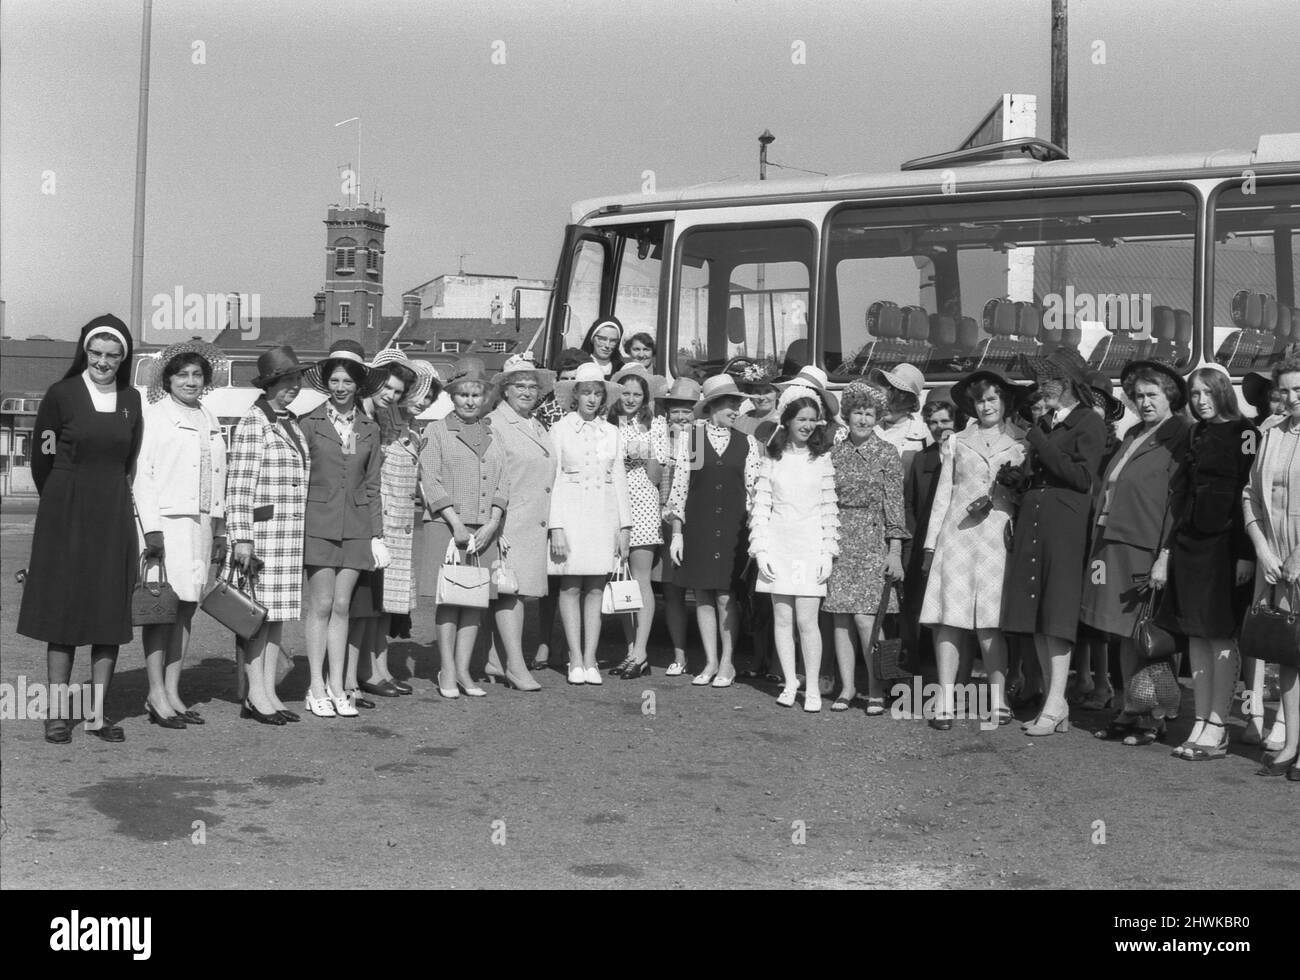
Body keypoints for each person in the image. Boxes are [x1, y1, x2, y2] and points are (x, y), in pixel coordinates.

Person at [19, 315, 143, 744]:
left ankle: (97, 713)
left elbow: (131, 458)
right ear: (84, 353)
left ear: (122, 359)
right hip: (66, 509)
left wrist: (109, 494)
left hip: (112, 511)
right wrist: (60, 499)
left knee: (108, 608)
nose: (103, 362)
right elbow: (42, 456)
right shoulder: (62, 395)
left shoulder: (131, 400)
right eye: (96, 353)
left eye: (112, 355)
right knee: (64, 609)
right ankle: (56, 713)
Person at [1083, 360, 1192, 746]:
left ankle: (1155, 716)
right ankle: (1132, 705)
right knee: (1125, 633)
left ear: (1170, 397)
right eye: (1139, 396)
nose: (1144, 402)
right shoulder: (1133, 433)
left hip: (1147, 543)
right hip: (1115, 539)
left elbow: (1178, 502)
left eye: (1153, 395)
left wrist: (1165, 554)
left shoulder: (1181, 434)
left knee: (1152, 635)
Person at [1002, 350, 1106, 737]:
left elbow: (1081, 477)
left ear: (1067, 385)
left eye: (1049, 382)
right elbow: (1043, 468)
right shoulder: (1048, 422)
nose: (1042, 390)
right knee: (1038, 610)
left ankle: (1057, 699)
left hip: (1064, 519)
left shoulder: (1088, 422)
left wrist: (1040, 441)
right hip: (1037, 515)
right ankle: (1053, 699)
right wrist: (1018, 479)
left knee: (1057, 610)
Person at [1156, 366, 1258, 760]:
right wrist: (1170, 548)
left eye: (1207, 393)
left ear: (1222, 393)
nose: (1200, 401)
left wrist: (1246, 553)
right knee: (1195, 635)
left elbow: (1249, 493)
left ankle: (1218, 724)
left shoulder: (1246, 432)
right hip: (1190, 543)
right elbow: (1182, 494)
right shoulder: (1196, 432)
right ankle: (1200, 719)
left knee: (1220, 636)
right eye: (1194, 394)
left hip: (1227, 547)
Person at [920, 371, 1027, 729]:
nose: (987, 406)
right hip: (958, 534)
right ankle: (946, 700)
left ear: (1004, 402)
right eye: (981, 400)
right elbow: (942, 496)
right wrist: (931, 544)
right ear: (972, 405)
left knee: (990, 624)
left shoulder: (1020, 444)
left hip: (998, 537)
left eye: (993, 398)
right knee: (949, 620)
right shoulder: (956, 442)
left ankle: (998, 700)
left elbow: (1023, 498)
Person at [132, 340, 229, 729]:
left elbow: (218, 475)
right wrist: (152, 530)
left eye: (197, 375)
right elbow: (143, 475)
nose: (190, 381)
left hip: (202, 524)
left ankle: (174, 690)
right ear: (168, 379)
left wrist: (220, 526)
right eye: (182, 374)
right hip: (167, 525)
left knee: (187, 608)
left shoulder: (208, 416)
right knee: (162, 608)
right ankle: (155, 693)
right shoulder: (155, 416)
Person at [298, 340, 390, 718]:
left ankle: (338, 684)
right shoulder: (309, 423)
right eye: (334, 380)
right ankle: (315, 685)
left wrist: (377, 534)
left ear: (358, 386)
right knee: (320, 604)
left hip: (356, 526)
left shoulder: (370, 427)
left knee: (342, 605)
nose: (340, 388)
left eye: (347, 382)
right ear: (326, 383)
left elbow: (372, 484)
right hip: (317, 524)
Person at [222, 346, 313, 726]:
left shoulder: (289, 421)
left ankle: (269, 692)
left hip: (289, 536)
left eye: (294, 380)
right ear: (269, 384)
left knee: (275, 619)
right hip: (261, 537)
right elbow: (239, 487)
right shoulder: (253, 423)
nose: (291, 388)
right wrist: (242, 538)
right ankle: (255, 695)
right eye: (284, 381)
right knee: (256, 619)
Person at [418, 358, 510, 698]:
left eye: (476, 394)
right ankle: (447, 670)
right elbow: (430, 478)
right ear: (452, 396)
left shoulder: (493, 432)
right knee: (450, 600)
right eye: (462, 395)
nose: (470, 401)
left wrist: (494, 520)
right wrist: (456, 523)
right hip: (448, 527)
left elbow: (504, 480)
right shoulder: (436, 431)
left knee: (474, 602)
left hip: (484, 529)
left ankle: (465, 671)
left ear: (485, 396)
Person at [749, 376, 840, 712]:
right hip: (778, 544)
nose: (807, 425)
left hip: (809, 546)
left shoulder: (823, 459)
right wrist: (760, 549)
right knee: (782, 619)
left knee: (807, 621)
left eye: (812, 419)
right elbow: (761, 506)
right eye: (801, 419)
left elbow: (829, 508)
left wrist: (827, 553)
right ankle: (790, 682)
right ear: (786, 420)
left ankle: (812, 686)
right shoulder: (772, 457)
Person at [355, 354, 440, 697]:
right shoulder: (384, 421)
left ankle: (380, 668)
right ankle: (368, 670)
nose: (424, 402)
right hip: (384, 524)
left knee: (385, 607)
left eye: (431, 399)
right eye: (422, 394)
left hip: (401, 526)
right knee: (375, 604)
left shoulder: (409, 428)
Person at [669, 374, 761, 686]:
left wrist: (756, 532)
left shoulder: (746, 442)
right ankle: (709, 661)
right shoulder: (692, 441)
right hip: (699, 525)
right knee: (703, 595)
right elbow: (681, 488)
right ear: (712, 407)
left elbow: (754, 491)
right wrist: (678, 533)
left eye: (737, 404)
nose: (735, 410)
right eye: (729, 404)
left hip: (733, 530)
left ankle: (727, 662)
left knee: (726, 596)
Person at [547, 362, 632, 685]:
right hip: (569, 514)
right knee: (570, 586)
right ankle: (575, 658)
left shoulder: (611, 432)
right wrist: (555, 525)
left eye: (597, 393)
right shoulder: (560, 429)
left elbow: (619, 479)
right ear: (575, 396)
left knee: (596, 587)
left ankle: (591, 658)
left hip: (603, 514)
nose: (592, 399)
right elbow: (552, 479)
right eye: (586, 393)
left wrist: (625, 528)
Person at [824, 382, 907, 714]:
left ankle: (876, 688)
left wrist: (895, 552)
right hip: (839, 537)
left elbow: (895, 505)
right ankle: (847, 687)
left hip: (873, 539)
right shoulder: (835, 451)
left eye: (869, 413)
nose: (863, 419)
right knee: (840, 617)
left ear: (877, 417)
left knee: (867, 619)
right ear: (848, 415)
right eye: (857, 412)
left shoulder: (887, 452)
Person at [484, 353, 557, 692]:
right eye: (520, 385)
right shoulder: (496, 424)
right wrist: (495, 524)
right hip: (511, 520)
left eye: (532, 386)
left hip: (534, 521)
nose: (527, 391)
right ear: (506, 390)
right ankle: (515, 665)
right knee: (510, 593)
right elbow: (492, 476)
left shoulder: (536, 423)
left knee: (518, 593)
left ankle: (496, 661)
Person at [1242, 356, 1300, 780]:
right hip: (1277, 561)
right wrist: (1262, 547)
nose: (1293, 397)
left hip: (1297, 559)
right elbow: (1250, 494)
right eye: (1286, 390)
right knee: (1289, 657)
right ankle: (1292, 743)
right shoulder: (1271, 434)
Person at [605, 363, 671, 677]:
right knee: (621, 579)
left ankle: (642, 651)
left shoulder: (656, 424)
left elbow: (658, 476)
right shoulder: (608, 421)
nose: (630, 399)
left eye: (636, 394)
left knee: (641, 578)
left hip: (643, 502)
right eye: (625, 393)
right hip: (614, 502)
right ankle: (630, 649)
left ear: (645, 397)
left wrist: (644, 452)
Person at [531, 347, 591, 670]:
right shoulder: (545, 413)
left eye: (575, 379)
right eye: (565, 379)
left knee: (583, 582)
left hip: (588, 506)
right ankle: (544, 642)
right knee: (552, 583)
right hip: (554, 499)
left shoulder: (596, 414)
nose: (569, 385)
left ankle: (578, 648)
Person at [1068, 370, 1126, 711]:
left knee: (1100, 612)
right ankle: (1084, 676)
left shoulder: (1117, 448)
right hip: (1078, 530)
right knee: (1079, 608)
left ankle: (1104, 682)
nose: (1093, 409)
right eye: (1088, 401)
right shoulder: (1077, 438)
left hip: (1101, 536)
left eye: (1099, 403)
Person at [902, 394, 956, 679]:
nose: (939, 427)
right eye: (932, 422)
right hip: (924, 545)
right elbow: (910, 504)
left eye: (945, 420)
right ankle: (917, 673)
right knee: (918, 609)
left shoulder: (964, 453)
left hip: (956, 544)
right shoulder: (922, 458)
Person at [656, 377, 701, 676]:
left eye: (687, 411)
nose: (682, 417)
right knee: (671, 591)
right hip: (662, 519)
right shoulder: (660, 437)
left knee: (704, 590)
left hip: (693, 521)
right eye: (676, 410)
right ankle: (679, 653)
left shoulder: (699, 440)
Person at [869, 363, 932, 474]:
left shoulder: (924, 434)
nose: (884, 406)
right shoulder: (869, 427)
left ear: (907, 403)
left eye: (894, 403)